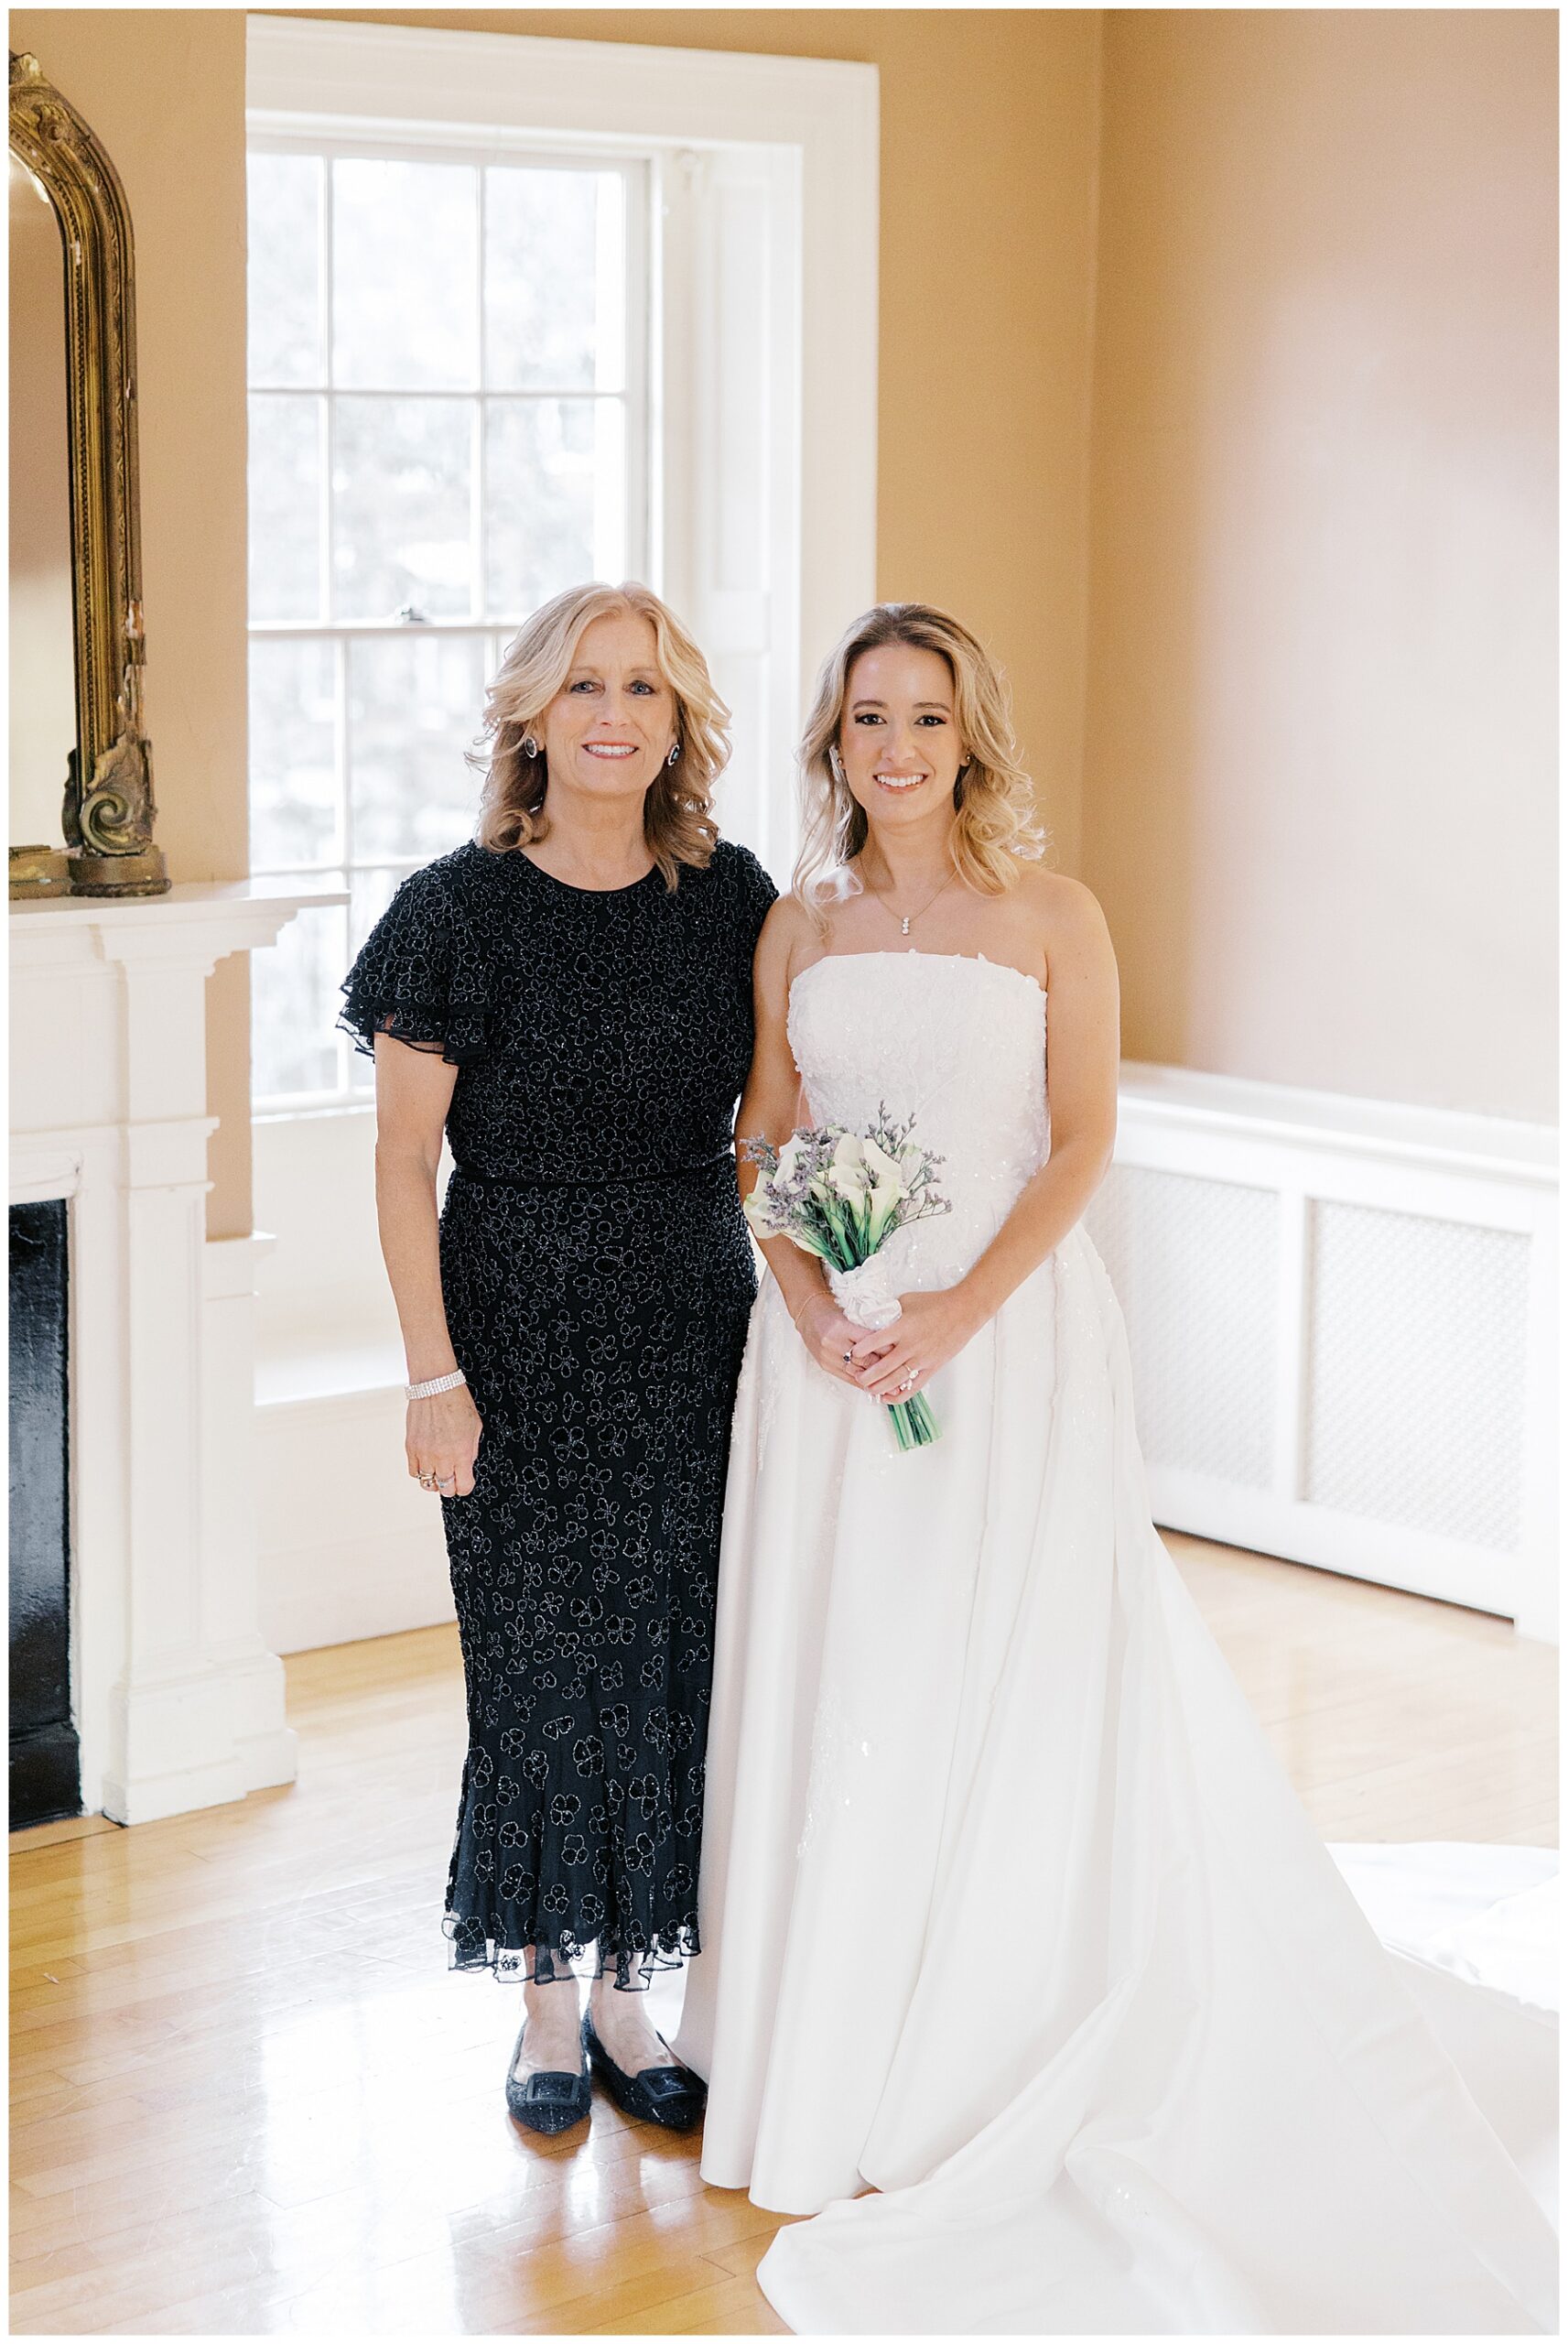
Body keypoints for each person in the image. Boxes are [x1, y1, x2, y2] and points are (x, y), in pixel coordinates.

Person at [674, 601, 1554, 2331]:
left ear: (969, 735)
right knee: (849, 1662)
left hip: (1001, 1351)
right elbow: (762, 1139)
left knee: (998, 1664)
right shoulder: (799, 923)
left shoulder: (1052, 916)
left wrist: (949, 1314)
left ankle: (985, 2025)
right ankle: (823, 2036)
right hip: (828, 1355)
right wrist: (815, 1296)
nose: (897, 746)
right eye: (867, 718)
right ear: (832, 744)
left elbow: (1080, 1141)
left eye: (926, 716)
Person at [341, 581, 775, 2137]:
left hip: (689, 1325)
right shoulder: (453, 910)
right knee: (534, 1672)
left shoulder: (734, 901)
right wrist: (429, 1375)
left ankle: (625, 1996)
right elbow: (402, 1165)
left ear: (679, 723)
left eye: (644, 691)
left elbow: (771, 1126)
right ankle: (538, 2003)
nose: (613, 715)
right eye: (585, 685)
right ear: (534, 712)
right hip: (511, 1324)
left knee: (667, 1663)